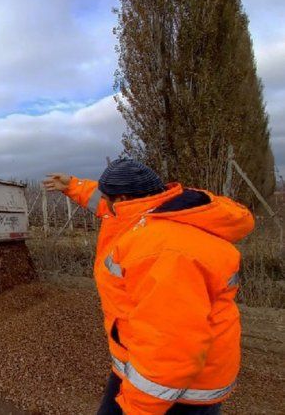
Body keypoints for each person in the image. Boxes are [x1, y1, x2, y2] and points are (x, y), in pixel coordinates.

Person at [43, 158, 254, 415]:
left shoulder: (163, 252)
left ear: (121, 199)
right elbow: (103, 204)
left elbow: (170, 349)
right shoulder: (157, 207)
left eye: (107, 197)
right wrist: (72, 185)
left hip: (177, 392)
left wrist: (139, 408)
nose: (104, 204)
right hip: (141, 365)